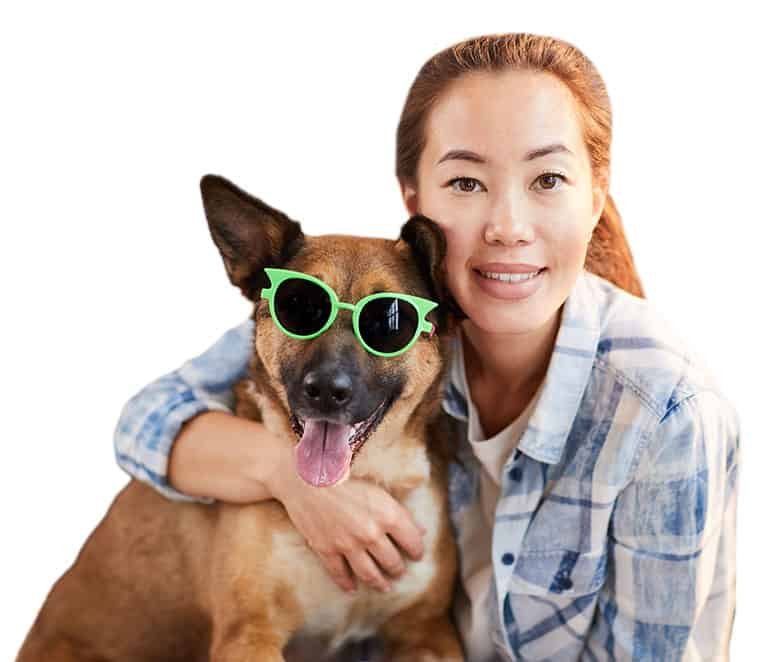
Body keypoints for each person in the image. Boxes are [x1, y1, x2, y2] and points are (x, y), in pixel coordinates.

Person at [113, 33, 739, 661]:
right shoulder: (348, 307)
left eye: (548, 178)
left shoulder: (665, 412)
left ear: (596, 194)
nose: (507, 227)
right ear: (414, 201)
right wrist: (290, 476)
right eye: (467, 182)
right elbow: (143, 422)